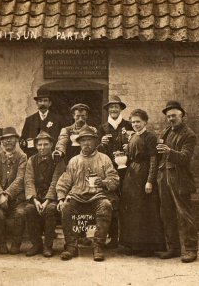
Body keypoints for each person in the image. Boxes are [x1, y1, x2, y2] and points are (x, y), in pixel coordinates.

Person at [56, 126, 119, 262]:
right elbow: (64, 181)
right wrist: (61, 199)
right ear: (79, 143)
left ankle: (98, 246)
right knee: (66, 207)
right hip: (77, 198)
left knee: (106, 205)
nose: (86, 143)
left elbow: (114, 180)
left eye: (89, 140)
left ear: (96, 142)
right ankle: (71, 246)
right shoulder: (74, 161)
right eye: (83, 140)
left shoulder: (104, 159)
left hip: (97, 197)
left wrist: (103, 182)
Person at [155, 100, 198, 263]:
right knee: (166, 213)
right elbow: (159, 152)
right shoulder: (166, 132)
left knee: (184, 215)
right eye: (168, 116)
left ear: (182, 115)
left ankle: (191, 250)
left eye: (174, 115)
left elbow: (185, 158)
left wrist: (169, 151)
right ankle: (173, 248)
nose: (171, 119)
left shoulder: (189, 134)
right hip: (164, 177)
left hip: (180, 178)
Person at [119, 109, 165, 256]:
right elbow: (130, 156)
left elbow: (153, 159)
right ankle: (133, 244)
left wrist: (150, 181)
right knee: (132, 209)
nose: (135, 124)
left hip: (144, 173)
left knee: (145, 210)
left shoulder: (150, 137)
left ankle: (147, 246)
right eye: (133, 122)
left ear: (145, 122)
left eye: (138, 121)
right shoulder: (132, 137)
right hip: (132, 175)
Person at [53, 103, 97, 246]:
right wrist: (59, 151)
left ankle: (82, 234)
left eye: (83, 116)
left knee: (83, 198)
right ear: (73, 116)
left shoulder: (92, 130)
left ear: (87, 116)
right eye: (77, 116)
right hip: (70, 167)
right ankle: (71, 237)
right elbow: (61, 142)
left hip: (86, 166)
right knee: (70, 201)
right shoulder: (66, 130)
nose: (80, 118)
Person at [97, 95, 133, 249]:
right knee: (110, 200)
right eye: (111, 107)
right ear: (108, 110)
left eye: (116, 107)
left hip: (127, 170)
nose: (113, 109)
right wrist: (101, 143)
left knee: (126, 201)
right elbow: (95, 150)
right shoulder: (102, 128)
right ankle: (112, 237)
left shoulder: (129, 125)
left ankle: (127, 238)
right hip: (108, 170)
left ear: (121, 109)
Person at [24, 131, 65, 257]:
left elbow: (56, 181)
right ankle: (36, 244)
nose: (42, 148)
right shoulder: (31, 160)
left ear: (51, 144)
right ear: (36, 146)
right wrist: (35, 200)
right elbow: (29, 180)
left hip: (52, 197)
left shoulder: (58, 160)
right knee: (29, 209)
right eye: (40, 145)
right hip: (37, 197)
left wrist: (47, 200)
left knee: (50, 210)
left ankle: (48, 245)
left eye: (46, 144)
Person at [0, 127, 27, 255]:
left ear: (16, 140)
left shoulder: (22, 157)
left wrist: (7, 194)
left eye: (11, 138)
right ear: (1, 142)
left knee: (21, 213)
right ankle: (1, 244)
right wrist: (0, 195)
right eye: (5, 139)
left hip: (16, 198)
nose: (8, 141)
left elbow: (20, 178)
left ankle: (16, 244)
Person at [19, 89, 64, 157]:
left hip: (52, 156)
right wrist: (30, 152)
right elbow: (23, 140)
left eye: (45, 101)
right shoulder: (30, 120)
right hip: (34, 157)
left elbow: (63, 138)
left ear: (50, 103)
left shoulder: (58, 120)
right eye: (40, 101)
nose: (42, 103)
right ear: (37, 103)